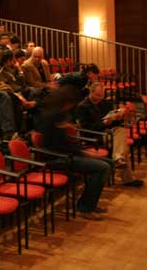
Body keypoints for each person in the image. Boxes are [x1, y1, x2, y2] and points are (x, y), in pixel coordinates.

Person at [37, 86, 112, 220]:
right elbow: (56, 145)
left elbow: (66, 142)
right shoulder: (51, 116)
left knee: (109, 163)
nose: (72, 106)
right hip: (57, 158)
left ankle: (89, 202)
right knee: (103, 167)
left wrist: (82, 151)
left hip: (67, 154)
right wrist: (84, 153)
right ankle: (85, 207)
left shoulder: (60, 115)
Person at [76, 82, 142, 187]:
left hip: (109, 134)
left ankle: (118, 158)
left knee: (120, 130)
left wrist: (118, 118)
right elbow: (86, 128)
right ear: (91, 92)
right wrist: (104, 123)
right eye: (97, 95)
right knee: (122, 145)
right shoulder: (82, 106)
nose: (100, 98)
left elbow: (114, 124)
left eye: (102, 95)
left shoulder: (106, 103)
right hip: (95, 136)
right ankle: (126, 175)